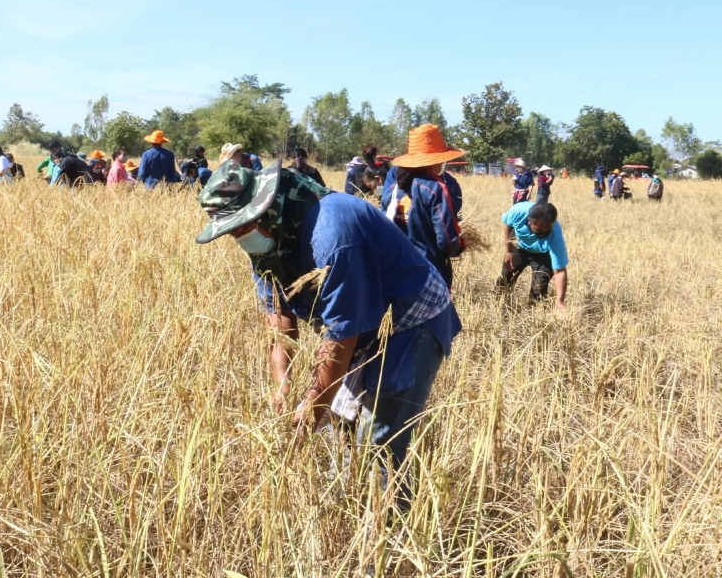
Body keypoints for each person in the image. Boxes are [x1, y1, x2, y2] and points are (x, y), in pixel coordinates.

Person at [195, 159, 461, 509]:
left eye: (239, 228)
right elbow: (278, 315)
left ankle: (385, 548)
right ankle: (350, 513)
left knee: (378, 441)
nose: (235, 236)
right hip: (362, 325)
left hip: (411, 320)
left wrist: (311, 408)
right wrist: (283, 385)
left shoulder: (332, 235)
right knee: (343, 427)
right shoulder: (266, 240)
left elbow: (340, 336)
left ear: (262, 211)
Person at [391, 124, 466, 289]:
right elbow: (447, 239)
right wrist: (460, 245)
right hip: (429, 272)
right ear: (437, 160)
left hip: (397, 272)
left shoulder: (393, 189)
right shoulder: (435, 188)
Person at [496, 201, 568, 309]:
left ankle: (532, 314)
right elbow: (508, 226)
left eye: (547, 231)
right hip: (520, 248)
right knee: (505, 278)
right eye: (538, 231)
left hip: (544, 255)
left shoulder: (555, 234)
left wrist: (560, 301)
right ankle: (499, 306)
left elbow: (560, 271)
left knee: (538, 289)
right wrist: (509, 252)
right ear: (529, 221)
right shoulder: (517, 212)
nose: (543, 235)